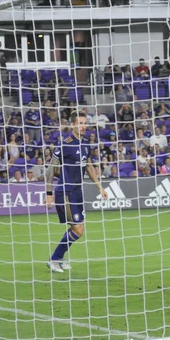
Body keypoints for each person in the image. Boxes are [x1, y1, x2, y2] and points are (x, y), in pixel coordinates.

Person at [45, 111, 107, 273]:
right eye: (79, 123)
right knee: (78, 230)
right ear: (72, 125)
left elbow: (88, 166)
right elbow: (51, 168)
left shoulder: (85, 143)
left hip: (77, 192)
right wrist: (49, 194)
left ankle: (58, 258)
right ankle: (54, 259)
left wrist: (99, 186)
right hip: (65, 192)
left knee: (78, 230)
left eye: (84, 123)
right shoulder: (65, 143)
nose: (83, 126)